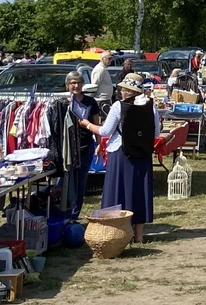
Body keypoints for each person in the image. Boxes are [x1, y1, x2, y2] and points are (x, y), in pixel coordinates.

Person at [81, 74, 158, 242]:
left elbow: (105, 131)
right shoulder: (151, 107)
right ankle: (138, 235)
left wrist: (87, 124)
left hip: (121, 152)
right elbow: (156, 133)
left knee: (117, 192)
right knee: (139, 193)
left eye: (123, 89)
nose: (121, 91)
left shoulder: (118, 106)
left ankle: (117, 234)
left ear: (128, 91)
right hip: (142, 153)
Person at [63, 73, 101, 219]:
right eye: (72, 83)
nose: (76, 85)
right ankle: (64, 212)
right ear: (67, 85)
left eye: (78, 82)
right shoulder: (62, 102)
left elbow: (96, 124)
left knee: (80, 182)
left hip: (86, 146)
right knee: (66, 181)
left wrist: (98, 143)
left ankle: (74, 215)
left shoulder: (90, 101)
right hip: (67, 149)